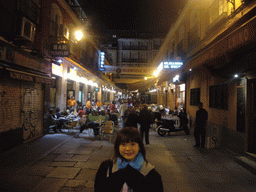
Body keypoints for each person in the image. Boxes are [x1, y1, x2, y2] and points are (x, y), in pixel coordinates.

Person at [94, 127, 163, 192]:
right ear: (118, 147)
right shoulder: (106, 167)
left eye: (132, 144)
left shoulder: (152, 175)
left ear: (139, 146)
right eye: (123, 144)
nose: (128, 149)